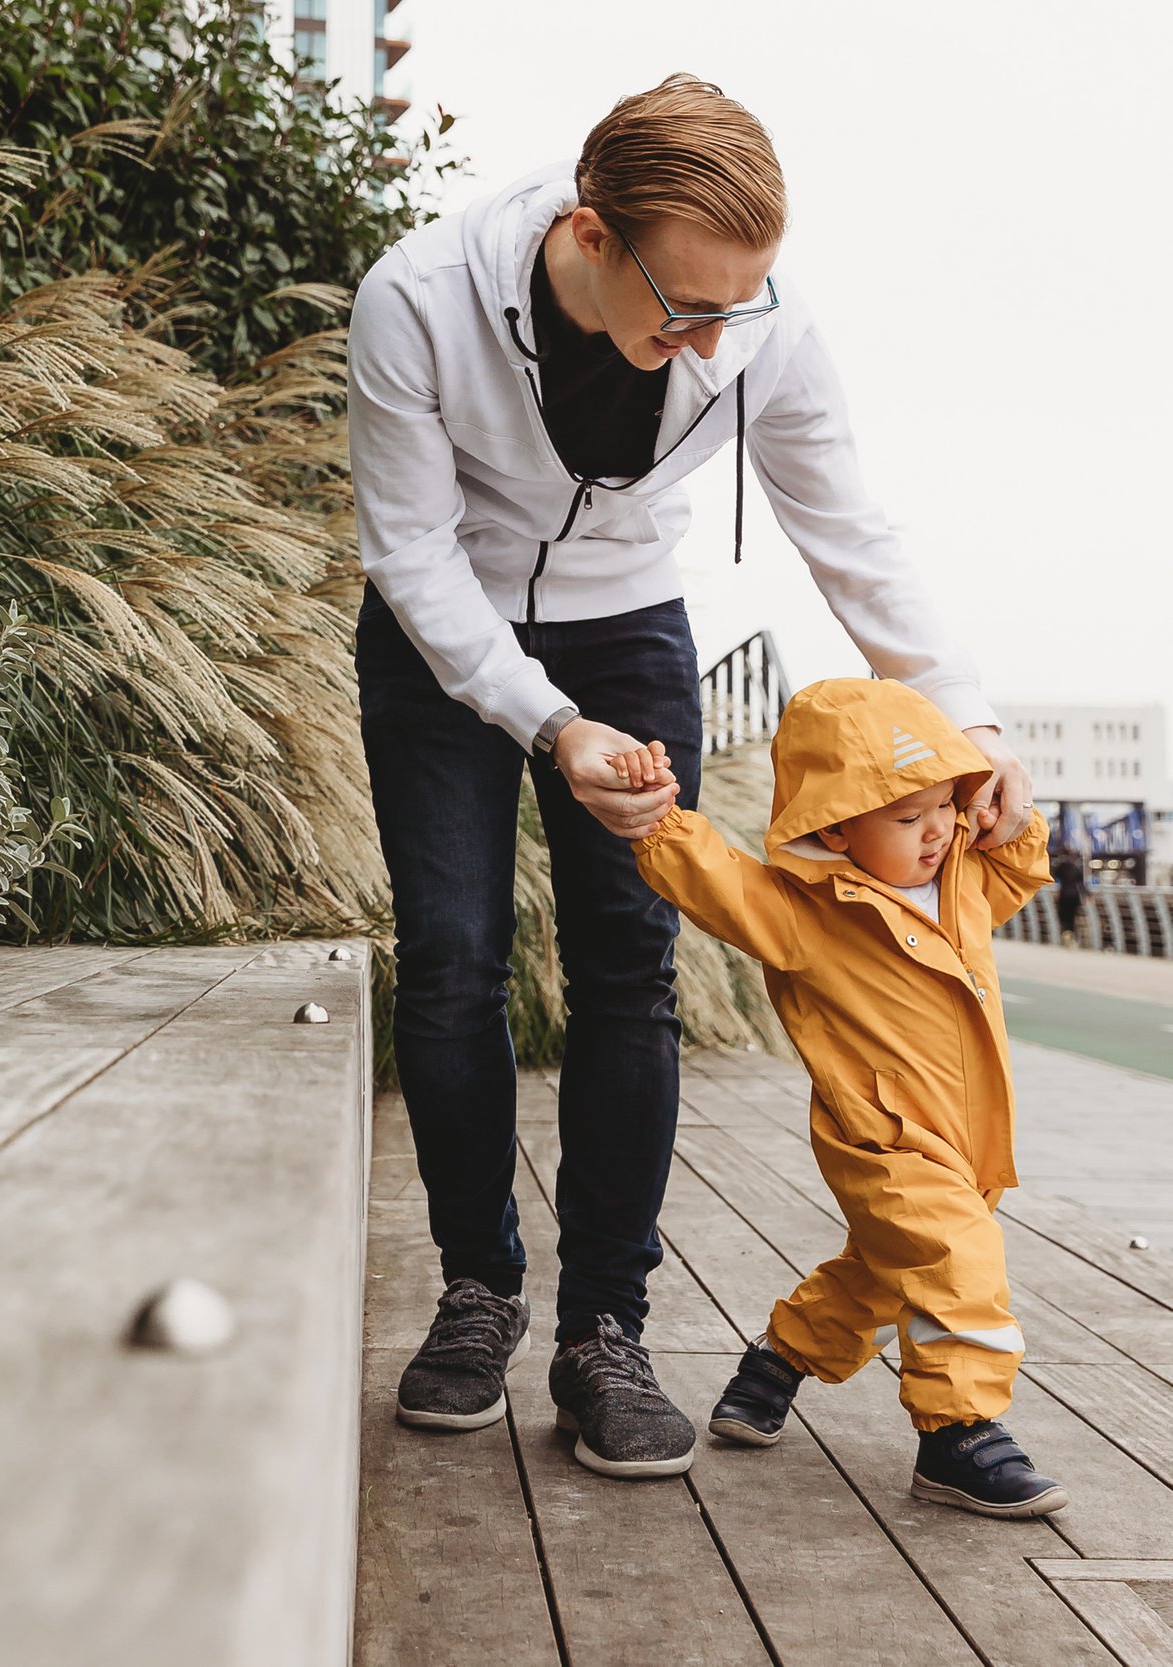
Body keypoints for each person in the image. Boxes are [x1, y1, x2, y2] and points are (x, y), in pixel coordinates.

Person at [349, 72, 1033, 1478]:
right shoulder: (416, 298)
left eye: (742, 306)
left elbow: (847, 525)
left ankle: (606, 1323)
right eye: (689, 307)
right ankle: (476, 1289)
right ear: (591, 235)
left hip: (629, 622)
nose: (714, 339)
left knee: (628, 961)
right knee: (454, 958)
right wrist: (549, 723)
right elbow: (411, 552)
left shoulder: (758, 329)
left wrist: (974, 728)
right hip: (440, 638)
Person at [614, 678, 1066, 1517]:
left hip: (969, 1137)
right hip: (883, 1134)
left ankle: (777, 1358)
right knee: (954, 1262)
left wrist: (1016, 814)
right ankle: (959, 1431)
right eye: (905, 817)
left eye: (944, 805)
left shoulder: (959, 880)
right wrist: (662, 820)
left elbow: (1016, 865)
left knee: (886, 1277)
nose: (934, 830)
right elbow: (721, 882)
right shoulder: (805, 914)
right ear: (836, 824)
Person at [1052, 842, 1088, 947]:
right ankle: (1072, 939)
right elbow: (1081, 882)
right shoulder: (1076, 865)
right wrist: (1087, 895)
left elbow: (1054, 875)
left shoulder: (1061, 865)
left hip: (1064, 894)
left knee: (1064, 916)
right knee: (1073, 917)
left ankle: (1065, 939)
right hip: (1076, 895)